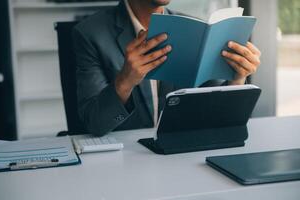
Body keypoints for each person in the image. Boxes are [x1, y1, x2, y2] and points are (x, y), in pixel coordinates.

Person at [72, 0, 261, 136]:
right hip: (125, 164)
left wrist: (236, 80)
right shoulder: (90, 33)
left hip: (184, 160)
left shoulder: (196, 30)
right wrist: (125, 81)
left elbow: (220, 120)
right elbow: (94, 124)